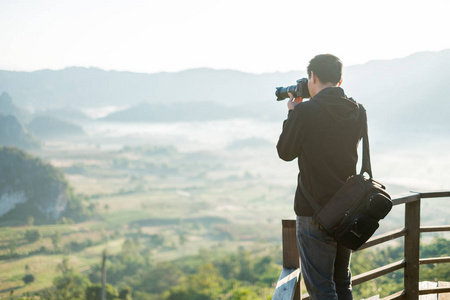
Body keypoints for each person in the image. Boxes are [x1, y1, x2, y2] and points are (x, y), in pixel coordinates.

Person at [277, 54, 366, 300]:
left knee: (321, 288)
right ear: (340, 80)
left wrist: (293, 113)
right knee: (341, 282)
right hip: (347, 209)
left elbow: (285, 152)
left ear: (312, 77)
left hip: (313, 211)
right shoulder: (357, 110)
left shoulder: (305, 112)